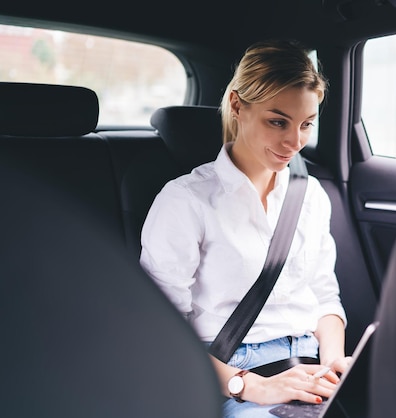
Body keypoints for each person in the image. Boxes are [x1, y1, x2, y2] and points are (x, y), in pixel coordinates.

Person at [139, 39, 350, 417]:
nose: (294, 142)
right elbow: (161, 332)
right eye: (278, 121)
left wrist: (334, 362)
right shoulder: (186, 200)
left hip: (308, 366)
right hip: (229, 376)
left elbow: (324, 296)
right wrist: (249, 385)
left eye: (306, 125)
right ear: (237, 105)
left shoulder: (311, 195)